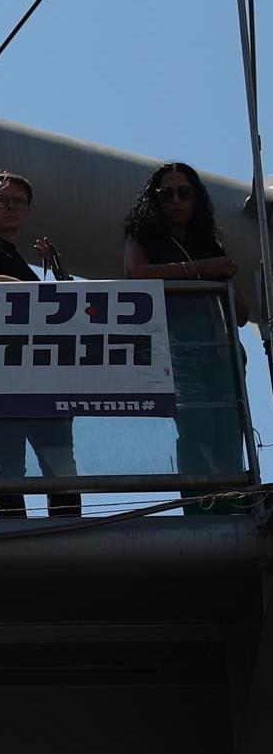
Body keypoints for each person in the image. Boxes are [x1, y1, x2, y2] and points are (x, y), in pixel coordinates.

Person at [121, 162, 249, 513]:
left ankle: (236, 502)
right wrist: (202, 270)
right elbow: (137, 276)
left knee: (228, 427)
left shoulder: (209, 241)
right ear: (155, 199)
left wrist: (224, 277)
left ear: (196, 198)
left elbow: (241, 314)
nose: (176, 201)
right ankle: (200, 506)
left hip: (220, 349)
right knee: (196, 427)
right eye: (166, 194)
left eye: (184, 193)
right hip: (177, 345)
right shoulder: (142, 237)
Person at [0, 169, 79, 518]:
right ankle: (11, 535)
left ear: (27, 212)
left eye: (19, 202)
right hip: (0, 377)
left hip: (45, 379)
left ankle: (68, 533)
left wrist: (59, 278)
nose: (11, 207)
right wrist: (47, 292)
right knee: (9, 465)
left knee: (61, 466)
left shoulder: (24, 265)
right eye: (2, 199)